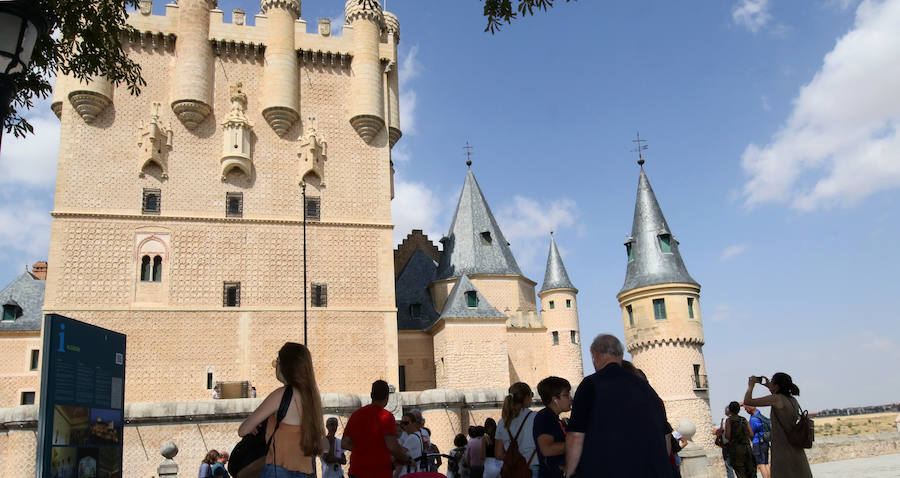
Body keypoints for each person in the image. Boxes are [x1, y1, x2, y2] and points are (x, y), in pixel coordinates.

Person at [564, 334, 672, 478]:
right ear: (620, 355)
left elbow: (576, 436)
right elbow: (666, 437)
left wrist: (569, 472)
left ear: (595, 355)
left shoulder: (590, 385)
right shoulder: (646, 388)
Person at [238, 342, 325, 478]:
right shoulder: (312, 398)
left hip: (278, 470)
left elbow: (242, 430)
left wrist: (254, 425)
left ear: (286, 365)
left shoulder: (281, 394)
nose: (276, 365)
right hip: (304, 472)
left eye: (277, 361)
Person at [743, 373, 813, 478]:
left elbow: (748, 401)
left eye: (772, 382)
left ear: (777, 386)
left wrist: (751, 386)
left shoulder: (776, 399)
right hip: (795, 445)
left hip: (783, 447)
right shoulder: (793, 400)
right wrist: (770, 387)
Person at [341, 380, 411, 478]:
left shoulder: (356, 415)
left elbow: (344, 443)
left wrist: (362, 448)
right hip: (378, 472)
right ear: (387, 397)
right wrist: (407, 459)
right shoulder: (386, 417)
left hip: (356, 470)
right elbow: (392, 447)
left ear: (371, 395)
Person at [495, 382, 539, 478]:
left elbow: (498, 454)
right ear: (527, 397)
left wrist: (514, 458)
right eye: (531, 395)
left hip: (512, 470)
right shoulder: (535, 417)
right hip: (532, 467)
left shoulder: (502, 422)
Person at [533, 376, 571, 478]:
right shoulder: (545, 417)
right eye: (566, 395)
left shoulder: (553, 418)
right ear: (555, 399)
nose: (570, 398)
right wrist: (576, 443)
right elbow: (546, 449)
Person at [724, 401, 755, 478]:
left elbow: (728, 436)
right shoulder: (744, 419)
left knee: (741, 474)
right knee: (751, 472)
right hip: (747, 448)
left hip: (736, 450)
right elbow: (751, 434)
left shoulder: (729, 421)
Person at [742, 403, 771, 478]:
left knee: (761, 465)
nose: (746, 411)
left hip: (757, 443)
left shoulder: (754, 419)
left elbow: (751, 433)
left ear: (749, 409)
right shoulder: (760, 415)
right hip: (764, 442)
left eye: (746, 409)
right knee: (766, 463)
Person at [398, 412, 425, 476]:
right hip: (414, 471)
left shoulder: (412, 437)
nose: (403, 425)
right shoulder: (417, 434)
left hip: (409, 472)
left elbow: (399, 453)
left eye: (406, 423)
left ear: (413, 423)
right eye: (402, 423)